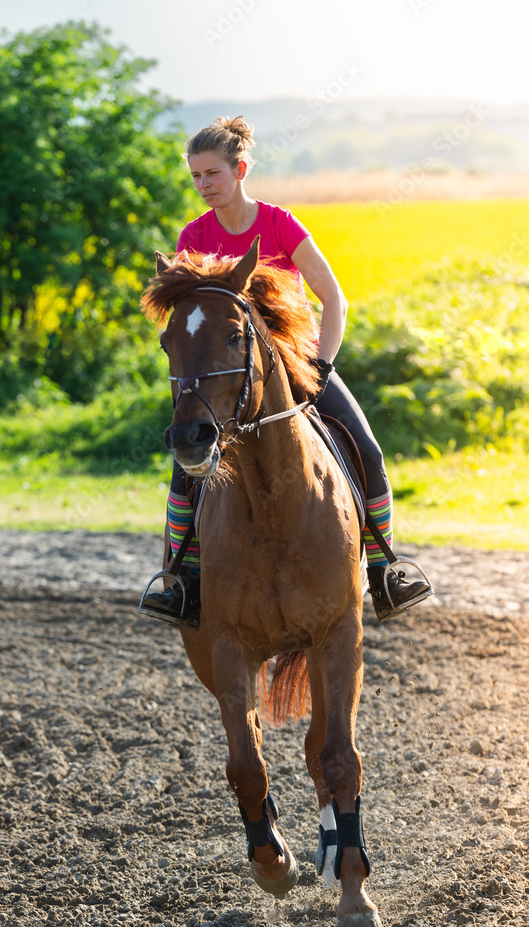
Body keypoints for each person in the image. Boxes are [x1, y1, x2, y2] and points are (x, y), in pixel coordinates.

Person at [140, 115, 432, 625]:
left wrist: (321, 365)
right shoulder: (195, 235)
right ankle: (181, 577)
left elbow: (334, 299)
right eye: (195, 177)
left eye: (212, 174)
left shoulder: (279, 223)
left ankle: (386, 568)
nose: (203, 185)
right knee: (184, 466)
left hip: (299, 364)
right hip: (229, 378)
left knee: (367, 449)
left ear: (240, 169)